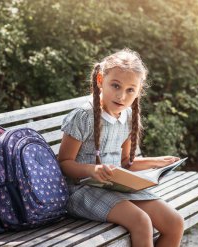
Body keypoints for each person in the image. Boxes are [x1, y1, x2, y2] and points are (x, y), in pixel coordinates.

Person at [58, 48, 184, 247]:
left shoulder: (128, 118)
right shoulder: (84, 117)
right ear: (100, 80)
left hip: (115, 188)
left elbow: (126, 163)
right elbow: (64, 163)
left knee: (174, 223)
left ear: (138, 90)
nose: (121, 96)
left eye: (130, 90)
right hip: (81, 191)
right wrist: (92, 170)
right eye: (115, 86)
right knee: (142, 222)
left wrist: (157, 162)